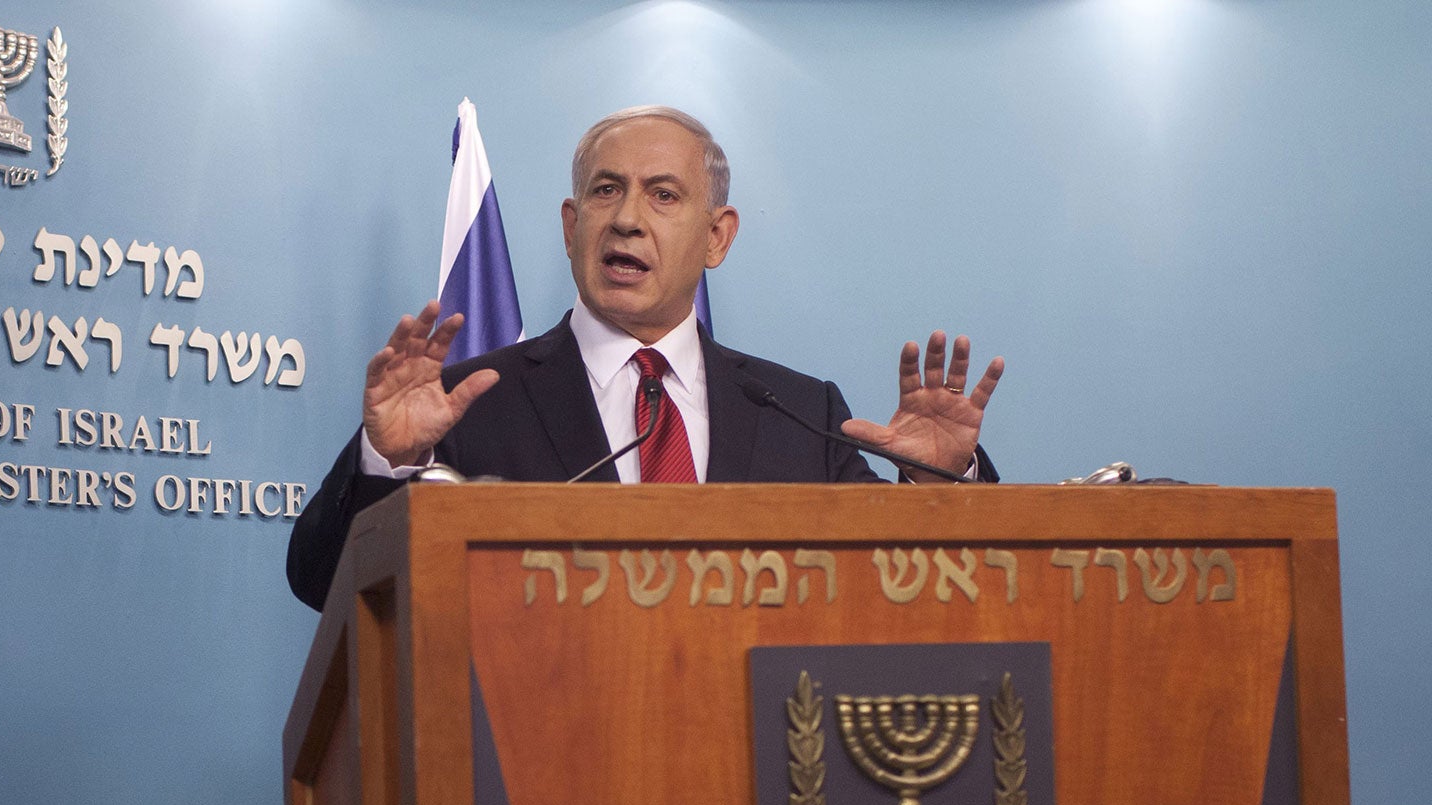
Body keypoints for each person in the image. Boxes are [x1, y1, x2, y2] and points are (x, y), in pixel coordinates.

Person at [286, 106, 1005, 609]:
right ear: (572, 228)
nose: (627, 218)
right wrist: (389, 465)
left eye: (663, 195)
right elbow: (324, 586)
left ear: (718, 237)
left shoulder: (800, 413)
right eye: (606, 191)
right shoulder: (468, 401)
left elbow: (904, 588)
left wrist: (942, 485)